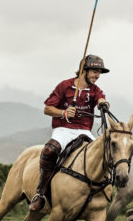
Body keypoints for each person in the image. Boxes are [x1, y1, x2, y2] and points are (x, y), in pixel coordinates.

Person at [28, 54, 111, 212]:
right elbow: (47, 109)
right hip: (63, 129)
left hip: (85, 131)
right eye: (94, 71)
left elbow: (101, 99)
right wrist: (64, 113)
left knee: (105, 152)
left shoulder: (95, 91)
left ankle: (102, 192)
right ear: (83, 70)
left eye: (99, 72)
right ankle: (40, 194)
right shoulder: (64, 86)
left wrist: (103, 104)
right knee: (49, 150)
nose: (97, 76)